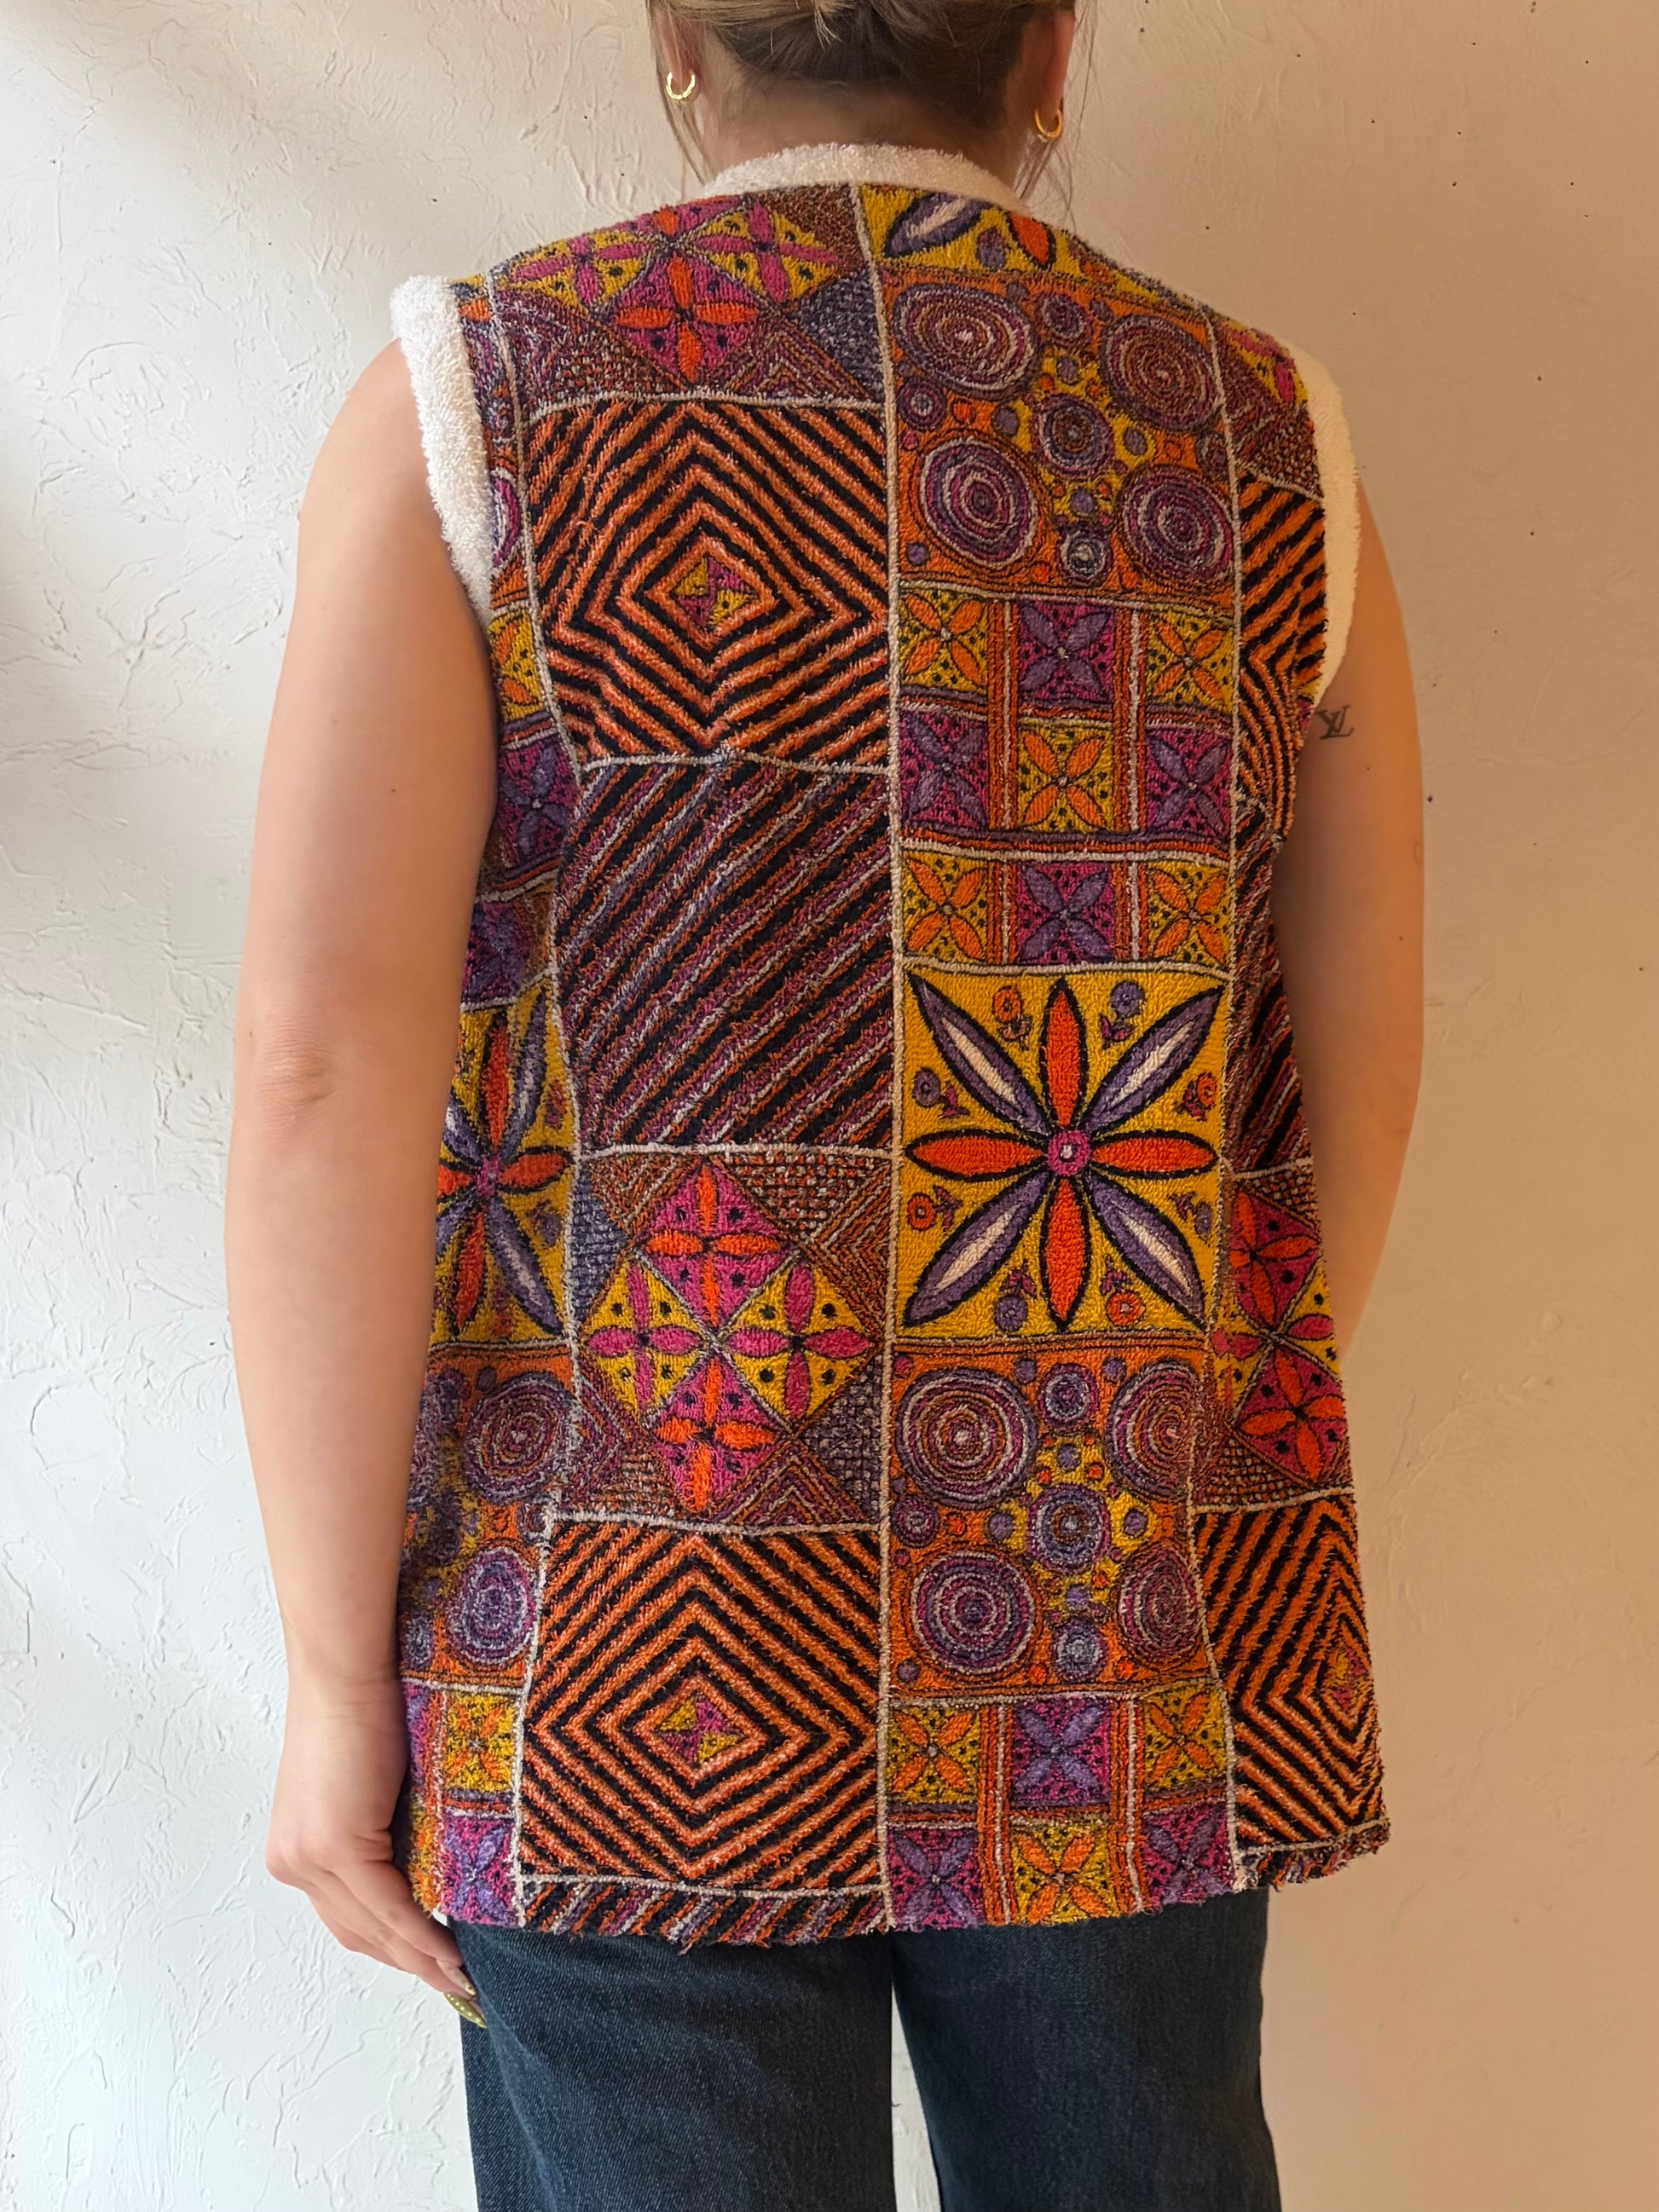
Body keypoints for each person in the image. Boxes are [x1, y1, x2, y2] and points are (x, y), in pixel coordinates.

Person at [225, 2, 1423, 2204]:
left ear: (677, 35)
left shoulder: (475, 402)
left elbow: (323, 1062)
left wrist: (329, 1679)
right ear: (1049, 50)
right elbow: (1347, 1045)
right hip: (1095, 1603)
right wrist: (1154, 1461)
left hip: (614, 1629)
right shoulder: (1271, 441)